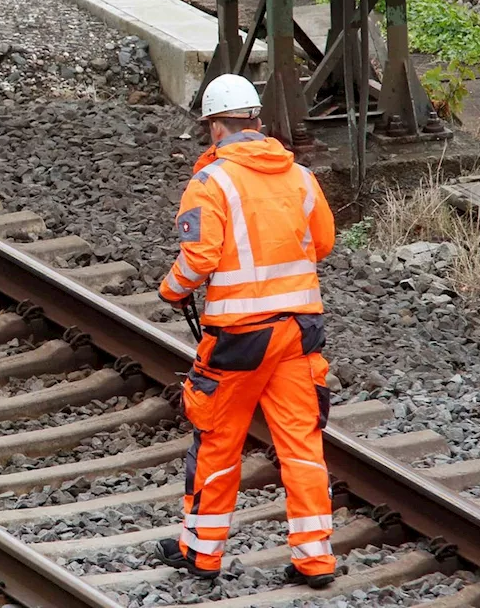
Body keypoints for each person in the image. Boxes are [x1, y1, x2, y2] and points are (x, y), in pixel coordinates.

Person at [154, 73, 338, 588]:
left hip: (237, 339)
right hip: (300, 332)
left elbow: (200, 259)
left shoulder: (211, 182)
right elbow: (321, 243)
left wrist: (171, 288)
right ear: (256, 121)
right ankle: (315, 559)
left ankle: (202, 554)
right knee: (302, 445)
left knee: (217, 441)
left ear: (215, 126)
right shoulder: (299, 176)